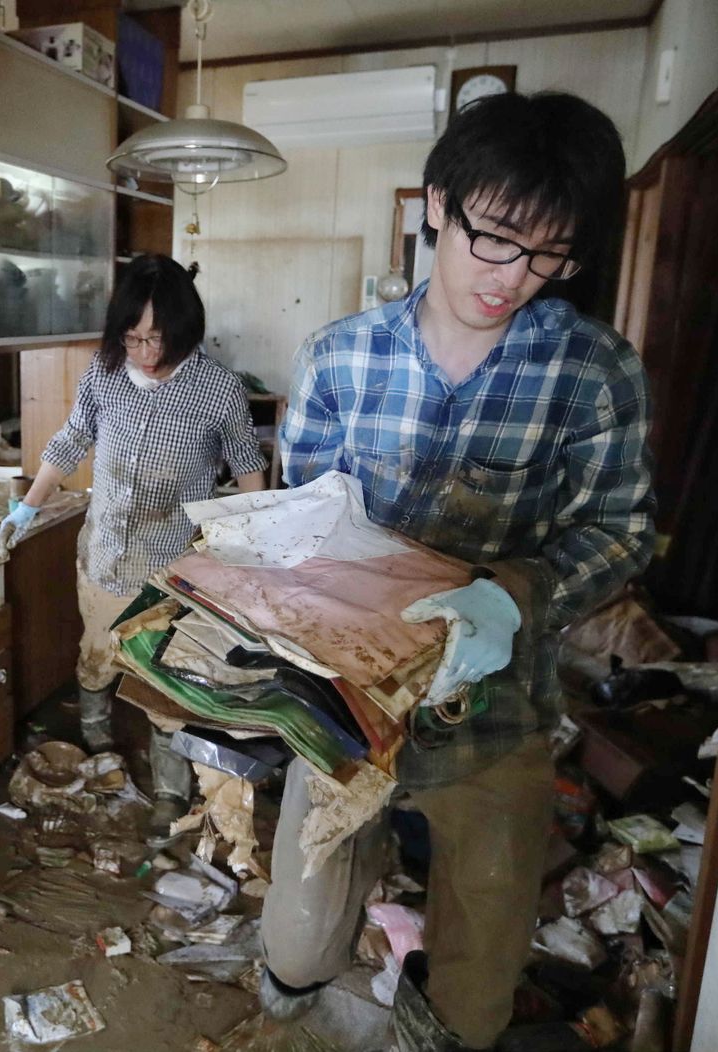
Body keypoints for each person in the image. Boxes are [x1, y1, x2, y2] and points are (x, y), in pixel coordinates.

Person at [258, 92, 655, 1050]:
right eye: (498, 240)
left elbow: (622, 528)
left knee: (482, 956)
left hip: (498, 710)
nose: (516, 278)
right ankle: (291, 1010)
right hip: (349, 702)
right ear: (439, 203)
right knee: (301, 929)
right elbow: (303, 523)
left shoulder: (593, 370)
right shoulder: (340, 359)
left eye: (552, 254)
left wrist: (516, 591)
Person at [0, 254, 268, 844]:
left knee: (164, 678)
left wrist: (257, 543)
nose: (145, 353)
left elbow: (248, 466)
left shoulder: (217, 388)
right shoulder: (104, 371)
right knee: (96, 657)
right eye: (134, 338)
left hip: (170, 565)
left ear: (186, 332)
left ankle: (169, 786)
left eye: (159, 340)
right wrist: (28, 504)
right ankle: (97, 744)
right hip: (104, 550)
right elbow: (73, 437)